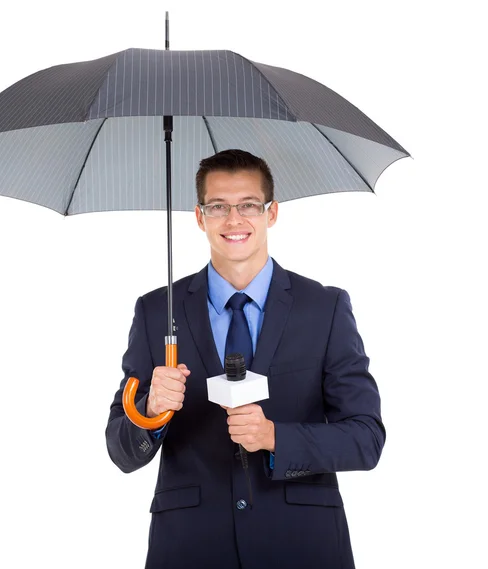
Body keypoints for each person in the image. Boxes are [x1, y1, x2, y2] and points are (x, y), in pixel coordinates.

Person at [105, 149, 385, 569]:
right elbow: (122, 450)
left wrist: (275, 437)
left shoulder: (323, 308)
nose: (234, 220)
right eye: (217, 206)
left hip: (302, 545)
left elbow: (366, 439)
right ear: (200, 217)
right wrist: (150, 410)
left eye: (249, 205)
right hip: (191, 547)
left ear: (271, 213)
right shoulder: (156, 311)